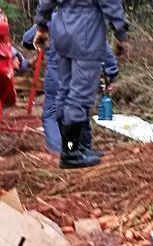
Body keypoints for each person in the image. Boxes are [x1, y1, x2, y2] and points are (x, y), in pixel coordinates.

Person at [33, 0, 129, 169]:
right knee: (80, 96)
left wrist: (42, 28)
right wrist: (120, 33)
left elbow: (45, 2)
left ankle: (77, 147)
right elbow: (110, 1)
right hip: (87, 33)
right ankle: (71, 154)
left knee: (65, 92)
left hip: (61, 31)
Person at [22, 25, 118, 155]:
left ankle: (57, 153)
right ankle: (83, 151)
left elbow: (27, 40)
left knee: (51, 115)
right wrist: (110, 75)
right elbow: (105, 53)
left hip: (57, 77)